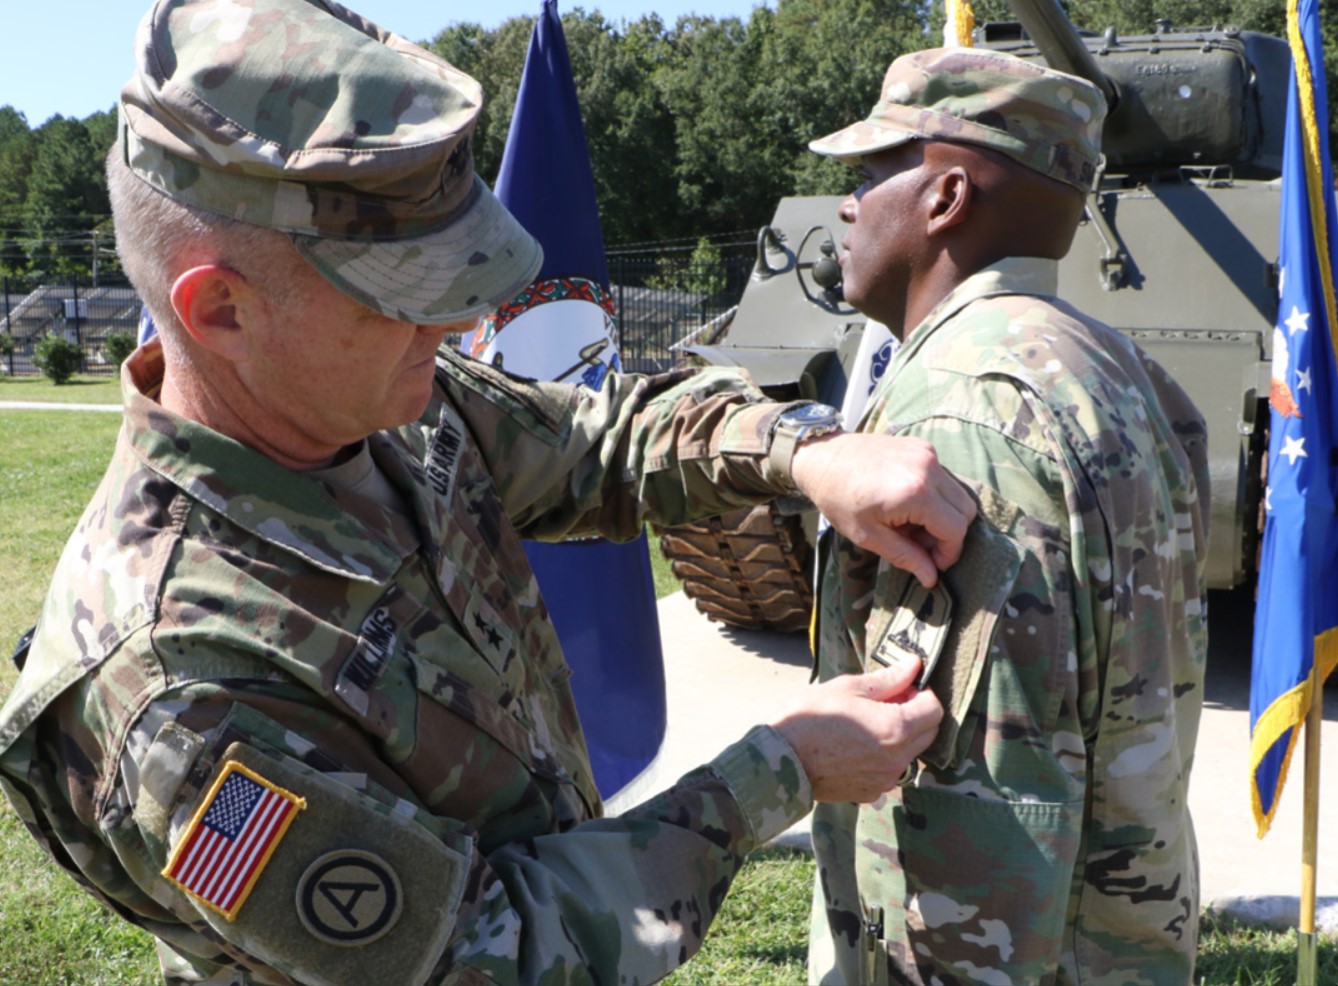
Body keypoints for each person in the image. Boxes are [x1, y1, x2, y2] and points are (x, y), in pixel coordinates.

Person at [0, 3, 978, 985]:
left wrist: (801, 454)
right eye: (400, 286)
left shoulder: (374, 399)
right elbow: (486, 958)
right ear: (222, 310)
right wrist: (783, 769)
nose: (462, 313)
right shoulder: (171, 689)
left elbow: (597, 442)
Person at [804, 47, 1211, 985]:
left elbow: (967, 800)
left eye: (871, 172)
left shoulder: (958, 411)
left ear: (944, 197)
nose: (848, 205)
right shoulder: (1116, 367)